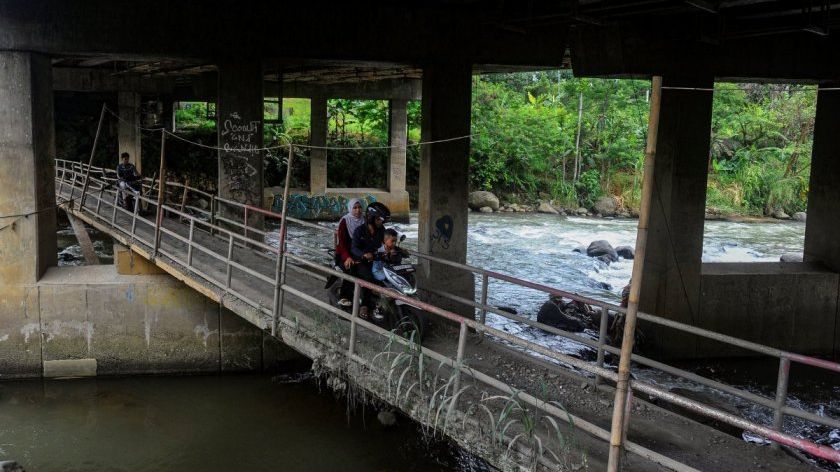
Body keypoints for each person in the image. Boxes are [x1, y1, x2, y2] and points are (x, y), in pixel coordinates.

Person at [351, 202, 390, 318]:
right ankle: (365, 305)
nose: (381, 222)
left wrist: (395, 249)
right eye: (378, 219)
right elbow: (353, 248)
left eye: (381, 220)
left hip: (377, 260)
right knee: (369, 278)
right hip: (361, 262)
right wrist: (364, 254)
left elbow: (387, 241)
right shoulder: (359, 231)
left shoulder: (382, 230)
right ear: (370, 218)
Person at [334, 198, 365, 307]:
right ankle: (344, 297)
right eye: (355, 208)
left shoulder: (364, 220)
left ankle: (365, 301)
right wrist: (347, 257)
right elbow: (341, 243)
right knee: (351, 268)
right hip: (344, 254)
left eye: (360, 207)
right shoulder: (345, 221)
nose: (358, 210)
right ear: (350, 209)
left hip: (358, 253)